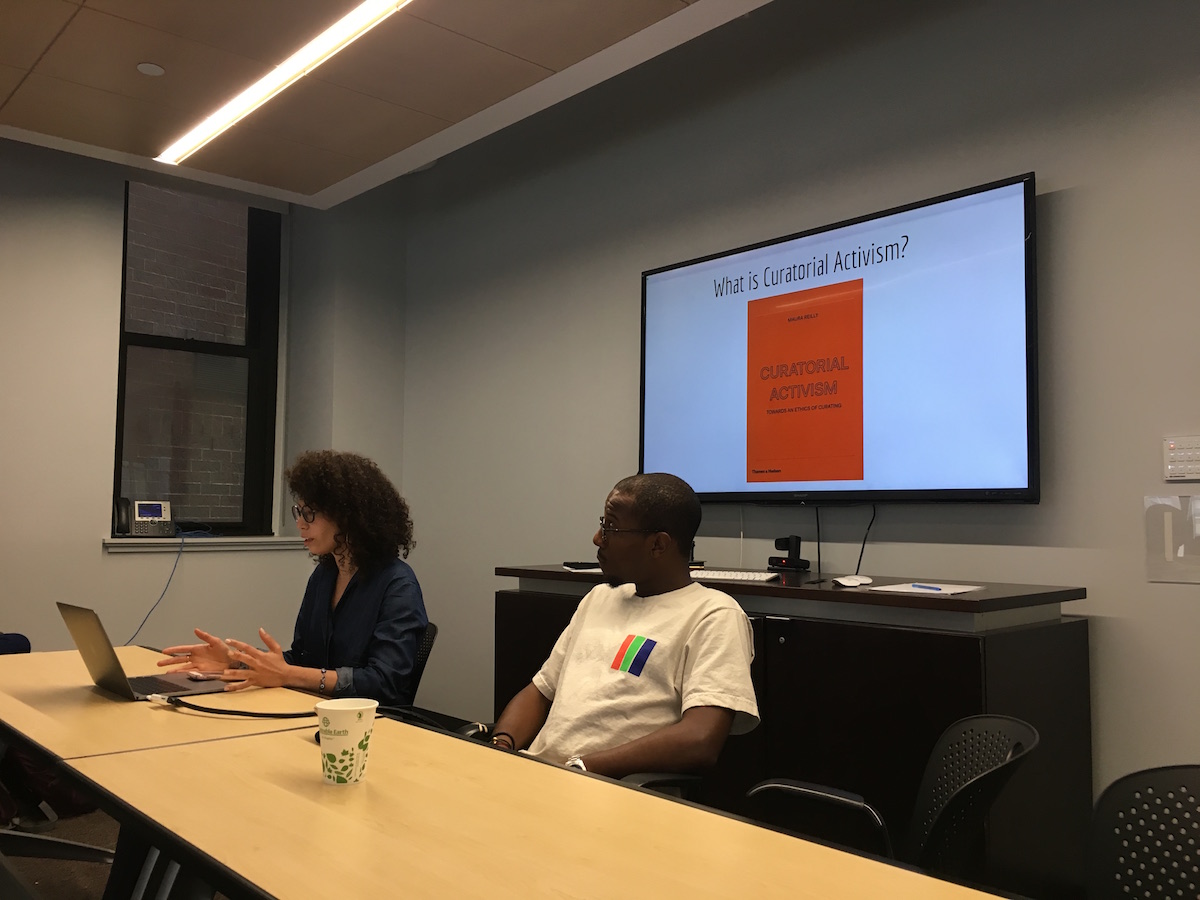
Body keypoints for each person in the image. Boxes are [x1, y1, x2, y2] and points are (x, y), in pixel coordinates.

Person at [490, 473, 758, 779]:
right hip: (539, 774)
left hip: (606, 788)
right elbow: (540, 691)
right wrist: (502, 745)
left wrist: (583, 767)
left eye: (611, 527)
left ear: (658, 544)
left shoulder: (713, 614)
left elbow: (701, 739)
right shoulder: (599, 598)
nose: (597, 538)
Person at [159, 450, 428, 708]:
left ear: (348, 516)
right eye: (298, 512)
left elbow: (384, 682)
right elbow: (301, 658)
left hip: (372, 724)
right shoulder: (324, 576)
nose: (300, 523)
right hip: (314, 710)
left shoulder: (397, 584)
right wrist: (236, 662)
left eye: (309, 513)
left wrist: (287, 675)